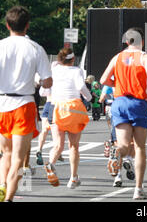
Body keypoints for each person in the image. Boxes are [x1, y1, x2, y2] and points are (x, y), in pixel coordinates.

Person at [0, 6, 52, 202]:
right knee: (19, 159)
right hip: (23, 103)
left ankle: (2, 185)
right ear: (27, 26)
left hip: (1, 103)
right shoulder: (36, 48)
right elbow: (48, 81)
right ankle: (8, 198)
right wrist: (38, 81)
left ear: (7, 25)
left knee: (6, 152)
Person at [99, 27, 147, 200]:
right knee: (139, 147)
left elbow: (103, 80)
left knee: (122, 145)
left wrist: (117, 84)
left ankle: (117, 153)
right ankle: (138, 188)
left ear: (127, 42)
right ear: (141, 41)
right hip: (137, 103)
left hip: (119, 102)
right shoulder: (144, 57)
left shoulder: (117, 57)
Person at [43, 48, 91, 189]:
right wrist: (89, 97)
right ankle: (73, 178)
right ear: (73, 59)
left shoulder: (54, 70)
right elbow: (80, 86)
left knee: (58, 144)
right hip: (73, 108)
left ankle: (51, 164)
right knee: (73, 146)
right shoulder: (76, 71)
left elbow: (45, 89)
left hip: (56, 106)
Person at [35, 61, 60, 166]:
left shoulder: (48, 79)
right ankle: (57, 150)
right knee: (57, 131)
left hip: (47, 104)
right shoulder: (60, 79)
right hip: (56, 105)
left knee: (44, 130)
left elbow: (42, 93)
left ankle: (39, 149)